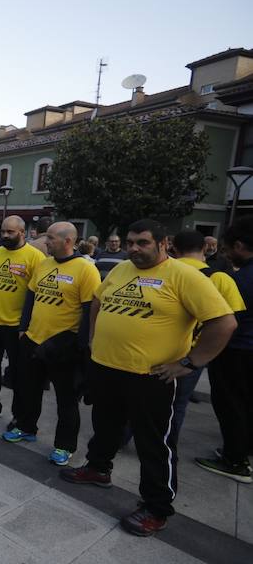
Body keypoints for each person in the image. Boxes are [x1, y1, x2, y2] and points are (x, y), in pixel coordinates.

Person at [60, 219, 236, 537]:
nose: (134, 249)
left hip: (150, 377)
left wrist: (191, 363)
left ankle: (156, 507)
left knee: (153, 443)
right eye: (130, 243)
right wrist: (94, 338)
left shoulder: (184, 276)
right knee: (106, 425)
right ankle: (98, 468)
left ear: (162, 243)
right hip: (107, 368)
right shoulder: (123, 270)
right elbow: (99, 299)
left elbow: (224, 323)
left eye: (142, 243)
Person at [3, 222, 100, 466]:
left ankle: (64, 446)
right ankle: (26, 427)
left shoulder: (86, 270)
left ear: (68, 241)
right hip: (33, 340)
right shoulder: (44, 264)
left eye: (52, 239)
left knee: (66, 400)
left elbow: (90, 310)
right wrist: (23, 329)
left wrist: (82, 344)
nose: (46, 242)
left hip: (63, 347)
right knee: (28, 390)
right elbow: (31, 297)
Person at [160, 231, 244, 447]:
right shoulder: (220, 278)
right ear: (205, 249)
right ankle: (167, 445)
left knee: (145, 399)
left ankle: (123, 439)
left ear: (173, 249)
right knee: (177, 405)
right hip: (193, 355)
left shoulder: (164, 272)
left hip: (161, 347)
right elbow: (232, 323)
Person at [196, 217, 253, 483]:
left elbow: (226, 320)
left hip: (237, 350)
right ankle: (243, 448)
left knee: (230, 403)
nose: (227, 255)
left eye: (228, 249)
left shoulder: (239, 279)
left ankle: (235, 460)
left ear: (240, 245)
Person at [0, 216, 45, 421]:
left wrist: (28, 324)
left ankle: (18, 415)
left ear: (22, 232)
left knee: (19, 373)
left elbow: (36, 295)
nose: (4, 235)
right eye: (2, 231)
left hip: (16, 327)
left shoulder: (35, 257)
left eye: (10, 232)